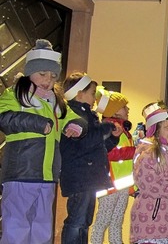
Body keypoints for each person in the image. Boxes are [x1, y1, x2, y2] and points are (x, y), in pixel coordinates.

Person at [0, 39, 86, 244]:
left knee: (42, 226)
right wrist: (37, 122)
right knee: (17, 224)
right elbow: (4, 117)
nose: (48, 80)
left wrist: (76, 125)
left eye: (53, 76)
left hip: (47, 175)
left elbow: (71, 116)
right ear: (30, 72)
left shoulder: (55, 100)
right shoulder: (15, 94)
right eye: (42, 74)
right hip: (21, 172)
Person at [60, 73, 115, 244]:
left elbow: (98, 147)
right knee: (76, 222)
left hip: (88, 177)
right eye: (92, 94)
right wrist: (104, 128)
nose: (94, 98)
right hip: (80, 177)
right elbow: (85, 142)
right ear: (79, 94)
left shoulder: (88, 115)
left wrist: (112, 138)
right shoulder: (73, 115)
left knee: (84, 223)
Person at [130, 107, 168, 244]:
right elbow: (149, 185)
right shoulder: (148, 153)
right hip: (150, 222)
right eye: (167, 127)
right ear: (156, 130)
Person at [91, 88, 136, 244]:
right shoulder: (107, 129)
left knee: (117, 221)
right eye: (124, 106)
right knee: (102, 222)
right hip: (109, 185)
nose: (128, 109)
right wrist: (134, 151)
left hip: (122, 185)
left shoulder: (124, 130)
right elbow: (108, 153)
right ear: (115, 110)